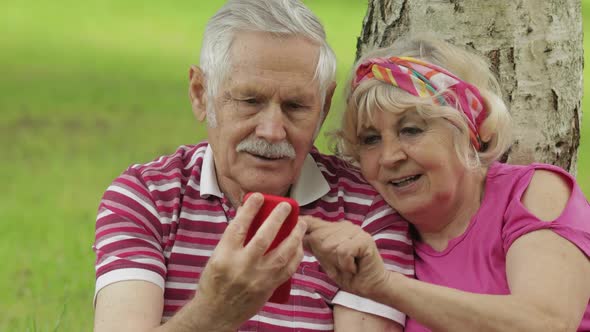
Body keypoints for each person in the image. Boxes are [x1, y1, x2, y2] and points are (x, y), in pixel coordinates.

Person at [92, 1, 414, 331]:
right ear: (201, 94)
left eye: (295, 106)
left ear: (324, 106)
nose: (272, 131)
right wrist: (214, 311)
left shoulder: (366, 213)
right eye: (250, 101)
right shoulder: (147, 198)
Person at [303, 36, 590, 331]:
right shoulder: (380, 231)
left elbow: (546, 323)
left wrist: (386, 286)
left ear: (467, 129)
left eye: (411, 130)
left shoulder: (533, 192)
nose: (389, 157)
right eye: (370, 139)